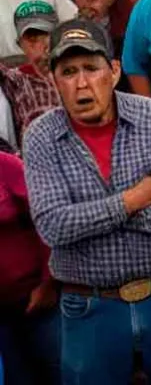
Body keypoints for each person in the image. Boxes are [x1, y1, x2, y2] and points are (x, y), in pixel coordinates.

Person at [24, 19, 151, 384]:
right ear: (54, 80)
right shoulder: (41, 135)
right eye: (68, 72)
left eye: (91, 68)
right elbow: (53, 227)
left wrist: (92, 218)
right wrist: (133, 200)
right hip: (89, 307)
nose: (81, 83)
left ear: (115, 70)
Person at [0, 149, 57, 385]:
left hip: (35, 297)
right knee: (17, 377)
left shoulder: (6, 165)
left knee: (59, 370)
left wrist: (49, 281)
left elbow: (49, 218)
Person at [0, 1, 61, 139]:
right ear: (20, 45)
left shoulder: (78, 75)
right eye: (32, 40)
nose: (45, 46)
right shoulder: (14, 80)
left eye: (49, 35)